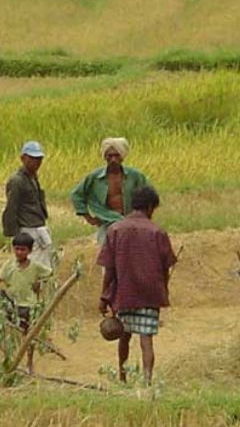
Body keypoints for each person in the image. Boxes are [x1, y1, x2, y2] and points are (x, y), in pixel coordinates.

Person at [97, 186, 177, 384]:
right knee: (146, 339)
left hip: (124, 294)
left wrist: (104, 297)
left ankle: (123, 377)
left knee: (124, 338)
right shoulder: (157, 232)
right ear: (149, 207)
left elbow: (109, 268)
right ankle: (147, 380)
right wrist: (163, 290)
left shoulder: (115, 229)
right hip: (150, 295)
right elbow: (166, 266)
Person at [0, 232, 52, 374]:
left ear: (29, 251)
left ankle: (29, 363)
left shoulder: (36, 267)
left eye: (23, 249)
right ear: (13, 249)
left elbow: (50, 275)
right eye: (17, 249)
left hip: (28, 306)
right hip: (11, 302)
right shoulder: (9, 265)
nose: (19, 252)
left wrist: (40, 284)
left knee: (29, 334)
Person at [70, 137, 149, 245]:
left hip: (132, 222)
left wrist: (143, 218)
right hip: (107, 221)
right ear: (104, 157)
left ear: (122, 156)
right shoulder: (95, 177)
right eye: (109, 156)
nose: (113, 160)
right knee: (107, 254)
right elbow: (76, 195)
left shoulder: (135, 176)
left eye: (116, 155)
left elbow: (149, 197)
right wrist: (88, 217)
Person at [2, 141, 53, 267]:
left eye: (39, 159)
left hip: (39, 227)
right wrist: (17, 236)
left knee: (44, 267)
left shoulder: (33, 177)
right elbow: (11, 209)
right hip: (27, 230)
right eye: (32, 158)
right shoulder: (17, 181)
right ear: (23, 158)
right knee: (30, 268)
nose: (36, 162)